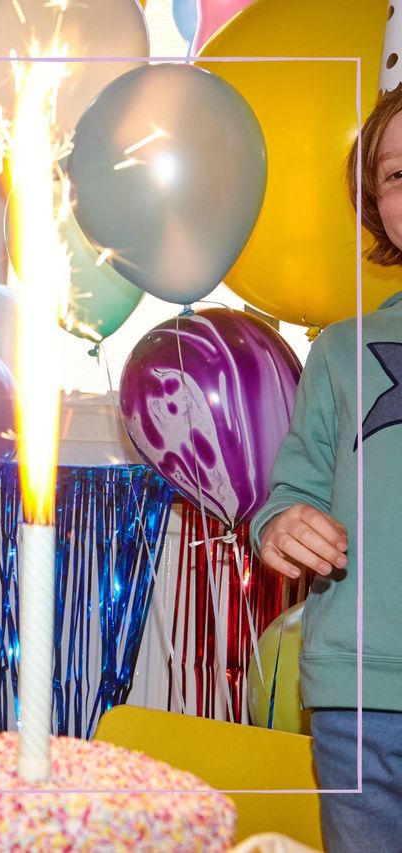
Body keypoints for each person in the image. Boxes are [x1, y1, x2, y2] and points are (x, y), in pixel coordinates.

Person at [254, 85, 402, 851]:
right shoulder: (338, 353)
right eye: (398, 174)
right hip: (357, 697)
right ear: (375, 203)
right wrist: (281, 525)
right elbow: (291, 490)